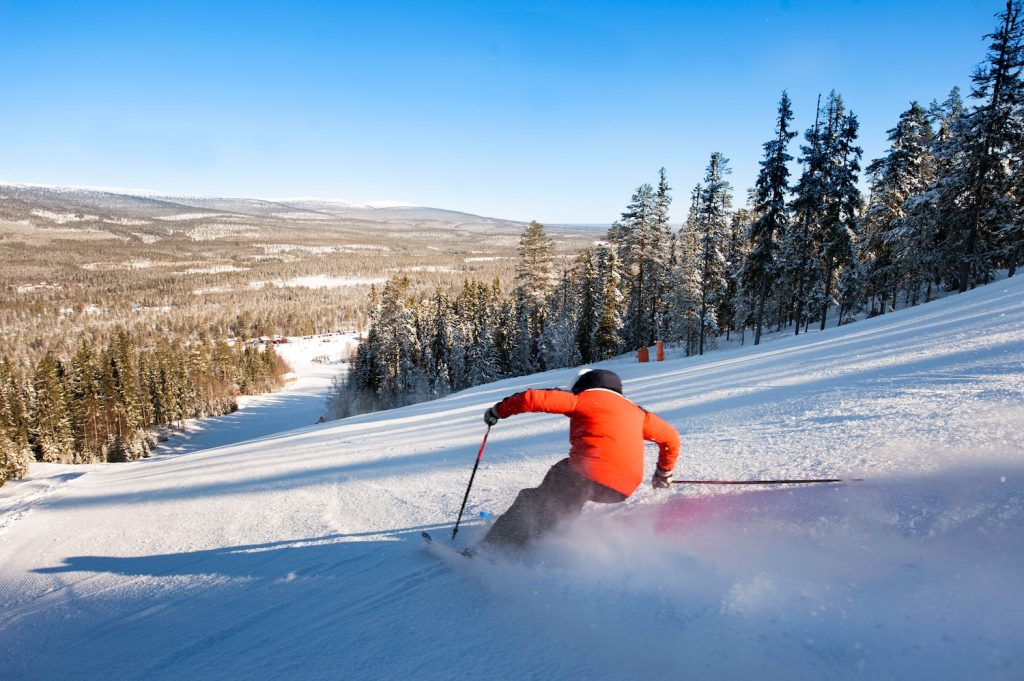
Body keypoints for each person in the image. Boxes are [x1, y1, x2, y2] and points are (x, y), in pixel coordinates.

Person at [480, 369, 680, 550]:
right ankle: (552, 530)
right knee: (566, 487)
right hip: (621, 489)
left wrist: (497, 411)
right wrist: (663, 473)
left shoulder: (583, 398)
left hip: (587, 474)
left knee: (537, 496)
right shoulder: (638, 413)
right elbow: (671, 438)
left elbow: (529, 398)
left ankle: (494, 547)